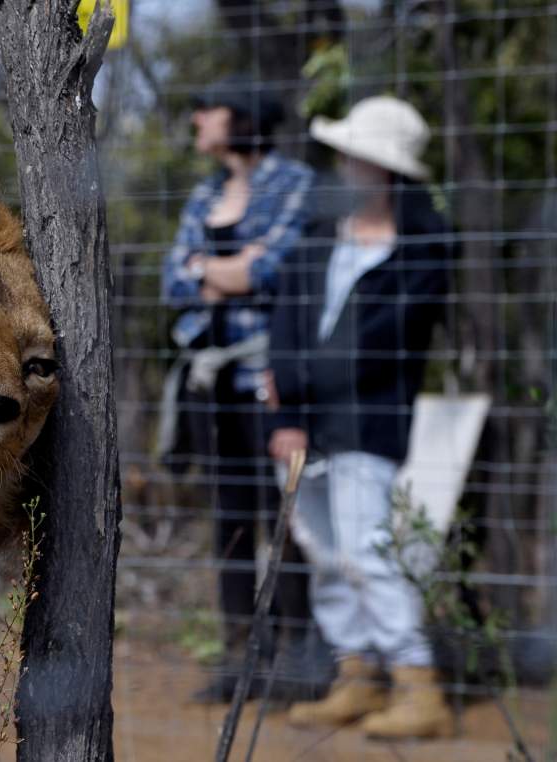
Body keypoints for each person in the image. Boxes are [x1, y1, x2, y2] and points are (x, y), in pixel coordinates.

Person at [266, 95, 455, 738]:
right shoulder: (317, 239)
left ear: (387, 170)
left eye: (358, 156)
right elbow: (285, 325)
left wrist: (289, 387)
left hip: (369, 423)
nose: (345, 166)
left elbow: (374, 347)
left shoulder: (426, 249)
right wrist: (287, 411)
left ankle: (417, 682)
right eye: (345, 153)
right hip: (299, 424)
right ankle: (358, 676)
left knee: (368, 551)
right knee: (322, 551)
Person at [161, 76, 317, 702]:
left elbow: (275, 268)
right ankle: (239, 658)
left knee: (286, 516)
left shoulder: (295, 183)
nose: (197, 117)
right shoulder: (203, 193)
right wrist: (221, 270)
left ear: (245, 116)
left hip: (270, 383)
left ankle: (295, 658)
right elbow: (174, 280)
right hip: (210, 382)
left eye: (209, 107)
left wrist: (212, 269)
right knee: (228, 517)